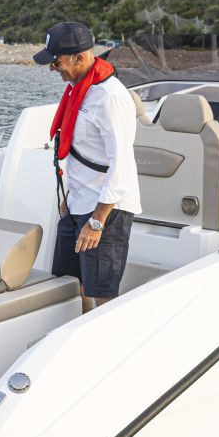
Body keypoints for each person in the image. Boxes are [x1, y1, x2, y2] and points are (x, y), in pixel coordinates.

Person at [35, 21, 141, 311]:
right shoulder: (79, 89)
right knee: (71, 282)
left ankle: (106, 337)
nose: (52, 69)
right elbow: (83, 150)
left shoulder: (110, 98)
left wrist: (97, 221)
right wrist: (70, 197)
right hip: (78, 203)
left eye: (56, 62)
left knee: (102, 290)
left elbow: (121, 164)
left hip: (106, 209)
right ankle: (76, 326)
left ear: (79, 58)